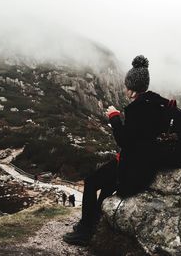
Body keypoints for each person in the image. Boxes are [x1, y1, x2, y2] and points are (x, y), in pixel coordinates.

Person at [63, 55, 167, 246]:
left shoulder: (137, 109)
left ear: (132, 87)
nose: (125, 89)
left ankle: (85, 231)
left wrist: (114, 118)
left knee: (91, 182)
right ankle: (93, 223)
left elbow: (125, 141)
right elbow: (140, 138)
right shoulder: (153, 103)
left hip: (132, 167)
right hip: (141, 162)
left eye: (127, 86)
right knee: (106, 187)